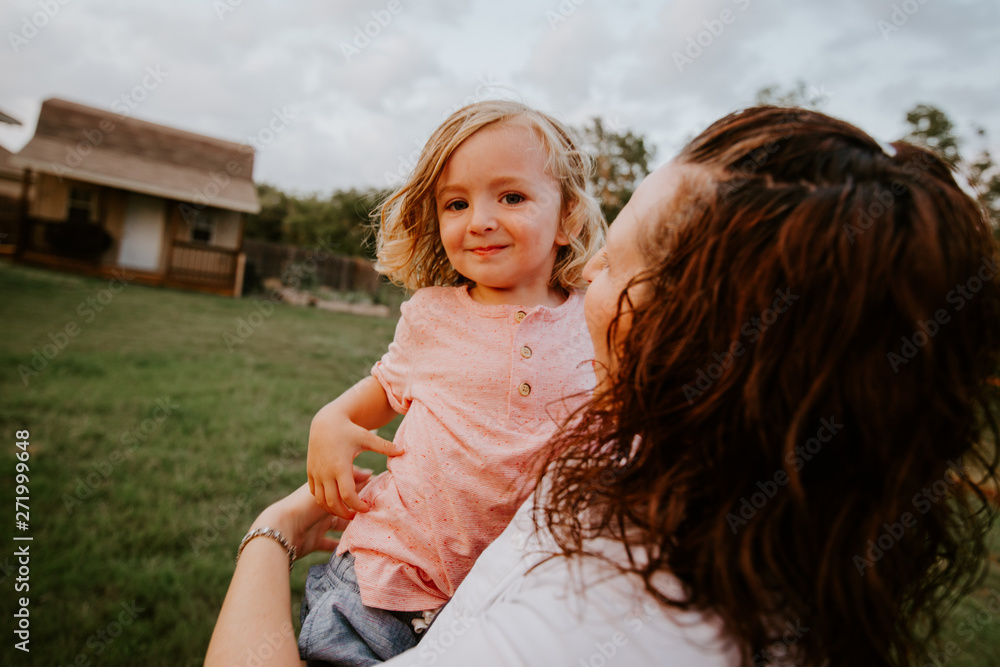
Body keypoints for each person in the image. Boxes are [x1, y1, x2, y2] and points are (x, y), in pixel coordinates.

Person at [207, 105, 1000, 666]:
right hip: (387, 576)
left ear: (697, 322)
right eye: (458, 201)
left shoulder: (596, 627)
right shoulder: (702, 466)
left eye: (614, 264)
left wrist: (272, 531)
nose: (586, 275)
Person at [299, 101, 606, 664]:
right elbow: (358, 406)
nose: (480, 219)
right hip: (386, 578)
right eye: (457, 203)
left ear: (568, 220)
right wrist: (328, 425)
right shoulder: (432, 315)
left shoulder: (595, 320)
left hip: (509, 599)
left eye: (511, 197)